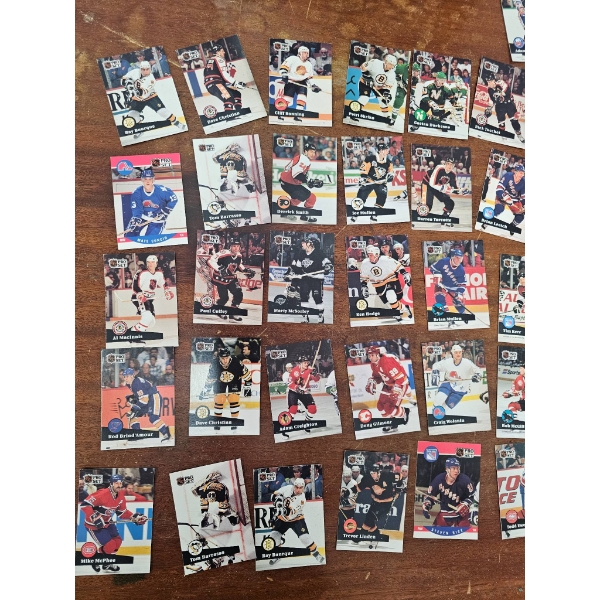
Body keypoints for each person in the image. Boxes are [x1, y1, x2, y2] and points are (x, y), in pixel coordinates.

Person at [80, 474, 149, 572]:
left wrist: (135, 517)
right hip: (94, 525)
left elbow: (122, 513)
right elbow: (85, 505)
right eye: (116, 483)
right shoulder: (102, 494)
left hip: (108, 522)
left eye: (120, 483)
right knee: (110, 544)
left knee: (117, 541)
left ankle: (107, 564)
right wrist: (95, 517)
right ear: (111, 484)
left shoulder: (120, 496)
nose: (119, 485)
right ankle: (95, 559)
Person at [121, 61, 186, 140]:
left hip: (150, 97)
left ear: (150, 69)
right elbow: (123, 80)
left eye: (147, 69)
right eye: (143, 69)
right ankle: (140, 130)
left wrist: (131, 93)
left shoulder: (151, 79)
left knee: (163, 112)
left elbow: (142, 94)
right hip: (137, 99)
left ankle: (177, 123)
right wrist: (127, 84)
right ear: (140, 69)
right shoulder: (134, 72)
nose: (145, 71)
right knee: (132, 115)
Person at [267, 479, 325, 565]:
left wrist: (278, 510)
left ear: (303, 488)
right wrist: (278, 499)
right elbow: (274, 495)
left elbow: (288, 513)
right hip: (283, 519)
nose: (298, 490)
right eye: (296, 487)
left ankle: (316, 554)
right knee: (274, 536)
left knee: (305, 538)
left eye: (300, 488)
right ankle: (278, 555)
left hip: (296, 520)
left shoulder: (302, 499)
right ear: (294, 486)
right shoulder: (288, 488)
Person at [284, 236, 333, 323]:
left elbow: (328, 264)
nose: (302, 244)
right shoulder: (301, 253)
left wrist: (328, 267)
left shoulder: (319, 253)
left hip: (316, 279)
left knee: (317, 298)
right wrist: (291, 273)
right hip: (305, 279)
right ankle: (305, 317)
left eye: (304, 243)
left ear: (309, 244)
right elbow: (297, 267)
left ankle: (320, 315)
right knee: (303, 297)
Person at [365, 345, 413, 432]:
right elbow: (377, 377)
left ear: (378, 355)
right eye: (369, 356)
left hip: (400, 384)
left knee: (389, 408)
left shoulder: (387, 362)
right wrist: (373, 382)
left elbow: (400, 378)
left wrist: (396, 391)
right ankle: (392, 423)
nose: (370, 357)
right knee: (380, 406)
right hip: (388, 385)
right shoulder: (373, 364)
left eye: (372, 355)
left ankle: (405, 412)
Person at [202, 347, 252, 430]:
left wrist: (247, 388)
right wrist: (205, 390)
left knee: (233, 399)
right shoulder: (214, 364)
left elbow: (248, 375)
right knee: (219, 400)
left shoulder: (237, 362)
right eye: (223, 358)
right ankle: (218, 421)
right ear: (219, 358)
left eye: (227, 358)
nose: (225, 360)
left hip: (235, 380)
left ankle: (234, 421)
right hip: (219, 381)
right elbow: (210, 379)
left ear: (229, 356)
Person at [359, 245, 411, 323]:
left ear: (376, 254)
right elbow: (364, 277)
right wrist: (364, 285)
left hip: (391, 280)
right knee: (391, 302)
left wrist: (405, 274)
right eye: (368, 255)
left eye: (371, 255)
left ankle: (397, 313)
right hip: (378, 285)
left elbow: (399, 266)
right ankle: (404, 308)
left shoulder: (386, 259)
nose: (369, 257)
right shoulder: (365, 263)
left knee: (391, 296)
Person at [208, 239, 255, 321]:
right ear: (230, 247)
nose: (236, 248)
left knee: (238, 294)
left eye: (237, 246)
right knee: (224, 298)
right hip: (221, 279)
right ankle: (218, 309)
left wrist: (246, 271)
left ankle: (233, 313)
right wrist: (219, 268)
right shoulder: (223, 253)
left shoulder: (239, 255)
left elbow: (239, 265)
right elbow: (210, 261)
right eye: (234, 246)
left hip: (231, 278)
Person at [122, 168, 179, 238]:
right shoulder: (137, 192)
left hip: (158, 219)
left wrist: (165, 211)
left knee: (150, 239)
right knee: (129, 236)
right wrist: (136, 218)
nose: (147, 181)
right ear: (142, 180)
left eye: (150, 179)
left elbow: (174, 199)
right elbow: (137, 208)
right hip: (143, 217)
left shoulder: (162, 191)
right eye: (145, 179)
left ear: (153, 180)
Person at [422, 458, 476, 528]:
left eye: (458, 468)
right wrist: (427, 505)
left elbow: (474, 496)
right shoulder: (439, 479)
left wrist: (466, 504)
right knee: (436, 532)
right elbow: (430, 495)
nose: (456, 471)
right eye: (454, 468)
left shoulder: (465, 480)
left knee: (464, 533)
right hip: (446, 513)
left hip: (462, 514)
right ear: (447, 469)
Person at [129, 255, 174, 336]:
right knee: (147, 317)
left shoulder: (159, 273)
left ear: (156, 263)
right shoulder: (141, 272)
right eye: (149, 262)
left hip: (149, 299)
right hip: (140, 298)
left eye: (153, 262)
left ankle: (137, 330)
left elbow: (163, 283)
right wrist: (140, 295)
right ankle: (134, 334)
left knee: (151, 321)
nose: (150, 264)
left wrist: (168, 291)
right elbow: (135, 286)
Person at [123, 367, 171, 442]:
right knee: (133, 415)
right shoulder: (130, 383)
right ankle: (138, 434)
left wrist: (133, 408)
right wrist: (133, 397)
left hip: (153, 397)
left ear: (132, 376)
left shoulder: (137, 383)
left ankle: (166, 434)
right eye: (124, 376)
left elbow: (144, 400)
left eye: (127, 376)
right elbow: (141, 394)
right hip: (147, 397)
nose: (125, 378)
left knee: (153, 418)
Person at [278, 143, 323, 222]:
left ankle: (286, 212)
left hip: (286, 182)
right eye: (311, 151)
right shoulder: (303, 159)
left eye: (314, 152)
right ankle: (306, 216)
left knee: (297, 199)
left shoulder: (301, 158)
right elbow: (296, 175)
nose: (313, 154)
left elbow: (299, 175)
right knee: (312, 198)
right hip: (289, 184)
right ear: (305, 151)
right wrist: (308, 181)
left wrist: (309, 182)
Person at [351, 143, 394, 223]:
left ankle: (374, 215)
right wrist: (363, 178)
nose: (387, 151)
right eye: (385, 150)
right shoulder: (370, 158)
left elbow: (391, 173)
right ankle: (355, 213)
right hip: (369, 180)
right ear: (380, 151)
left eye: (387, 150)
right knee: (361, 196)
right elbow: (364, 169)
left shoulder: (388, 162)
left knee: (382, 196)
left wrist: (390, 177)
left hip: (380, 183)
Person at [430, 345, 482, 410]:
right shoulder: (447, 361)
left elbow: (477, 370)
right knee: (439, 399)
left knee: (445, 408)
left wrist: (477, 375)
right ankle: (433, 412)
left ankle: (439, 415)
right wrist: (435, 374)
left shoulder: (467, 363)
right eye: (456, 352)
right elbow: (436, 365)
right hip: (448, 383)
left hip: (461, 389)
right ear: (452, 353)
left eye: (459, 352)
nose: (458, 354)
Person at [354, 464, 396, 543]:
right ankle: (376, 533)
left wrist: (399, 487)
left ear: (378, 472)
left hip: (385, 504)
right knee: (368, 518)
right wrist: (347, 491)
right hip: (375, 503)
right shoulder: (368, 478)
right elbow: (359, 488)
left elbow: (399, 478)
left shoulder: (387, 476)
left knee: (370, 518)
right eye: (371, 473)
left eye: (374, 473)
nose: (372, 475)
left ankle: (360, 535)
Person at [278, 46, 320, 122]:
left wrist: (313, 85)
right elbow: (283, 68)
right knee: (287, 100)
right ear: (299, 53)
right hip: (291, 82)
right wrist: (284, 76)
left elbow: (309, 77)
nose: (306, 54)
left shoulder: (309, 64)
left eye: (307, 53)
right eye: (304, 53)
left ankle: (297, 116)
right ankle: (281, 113)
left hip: (302, 82)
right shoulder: (292, 59)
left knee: (302, 99)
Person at [352, 54, 397, 125]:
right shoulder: (375, 63)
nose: (391, 67)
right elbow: (362, 66)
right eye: (390, 64)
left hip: (378, 86)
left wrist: (386, 94)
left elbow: (387, 86)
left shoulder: (392, 74)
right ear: (386, 61)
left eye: (393, 65)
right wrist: (366, 76)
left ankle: (386, 117)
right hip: (365, 83)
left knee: (383, 101)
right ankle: (354, 112)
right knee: (364, 98)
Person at [203, 44, 248, 115]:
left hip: (211, 84)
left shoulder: (210, 61)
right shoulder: (219, 59)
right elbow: (224, 75)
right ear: (217, 52)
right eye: (222, 51)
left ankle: (238, 111)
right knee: (228, 97)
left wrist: (230, 84)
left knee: (236, 94)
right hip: (216, 83)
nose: (224, 52)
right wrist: (235, 83)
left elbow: (207, 74)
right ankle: (228, 115)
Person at [481, 164, 525, 235]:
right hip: (502, 196)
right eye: (521, 173)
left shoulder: (524, 182)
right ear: (515, 172)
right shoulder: (508, 175)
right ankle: (487, 221)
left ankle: (512, 226)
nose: (522, 175)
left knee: (520, 217)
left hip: (514, 199)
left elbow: (523, 197)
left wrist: (524, 205)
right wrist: (505, 197)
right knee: (499, 209)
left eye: (523, 173)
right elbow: (499, 189)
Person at [429, 248, 468, 328]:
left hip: (455, 288)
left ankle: (463, 313)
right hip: (442, 285)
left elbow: (463, 284)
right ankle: (449, 319)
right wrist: (437, 274)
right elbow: (432, 268)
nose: (458, 260)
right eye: (457, 258)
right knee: (439, 299)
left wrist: (459, 294)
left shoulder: (461, 270)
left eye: (460, 258)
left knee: (458, 302)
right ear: (452, 257)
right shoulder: (443, 261)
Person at [421, 157, 467, 223]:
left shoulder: (453, 174)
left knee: (450, 203)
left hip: (438, 187)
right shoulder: (439, 168)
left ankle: (444, 219)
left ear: (454, 166)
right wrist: (447, 190)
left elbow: (455, 188)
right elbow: (432, 184)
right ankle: (417, 214)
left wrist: (461, 191)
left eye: (451, 164)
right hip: (427, 185)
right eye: (448, 164)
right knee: (427, 207)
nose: (449, 166)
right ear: (445, 164)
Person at [482, 72, 525, 143]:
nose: (488, 83)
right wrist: (488, 109)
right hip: (499, 107)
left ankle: (519, 135)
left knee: (514, 121)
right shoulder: (489, 89)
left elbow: (507, 88)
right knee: (501, 122)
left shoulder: (500, 82)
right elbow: (491, 100)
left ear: (493, 80)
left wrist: (501, 93)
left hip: (509, 104)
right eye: (488, 82)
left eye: (490, 81)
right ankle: (503, 134)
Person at [286, 355, 321, 432]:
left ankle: (306, 423)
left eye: (307, 362)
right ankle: (285, 425)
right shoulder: (294, 371)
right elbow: (290, 383)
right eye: (305, 362)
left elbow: (316, 379)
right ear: (300, 363)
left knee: (313, 409)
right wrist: (297, 388)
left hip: (305, 392)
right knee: (293, 410)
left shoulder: (309, 370)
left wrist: (316, 374)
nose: (307, 364)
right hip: (294, 392)